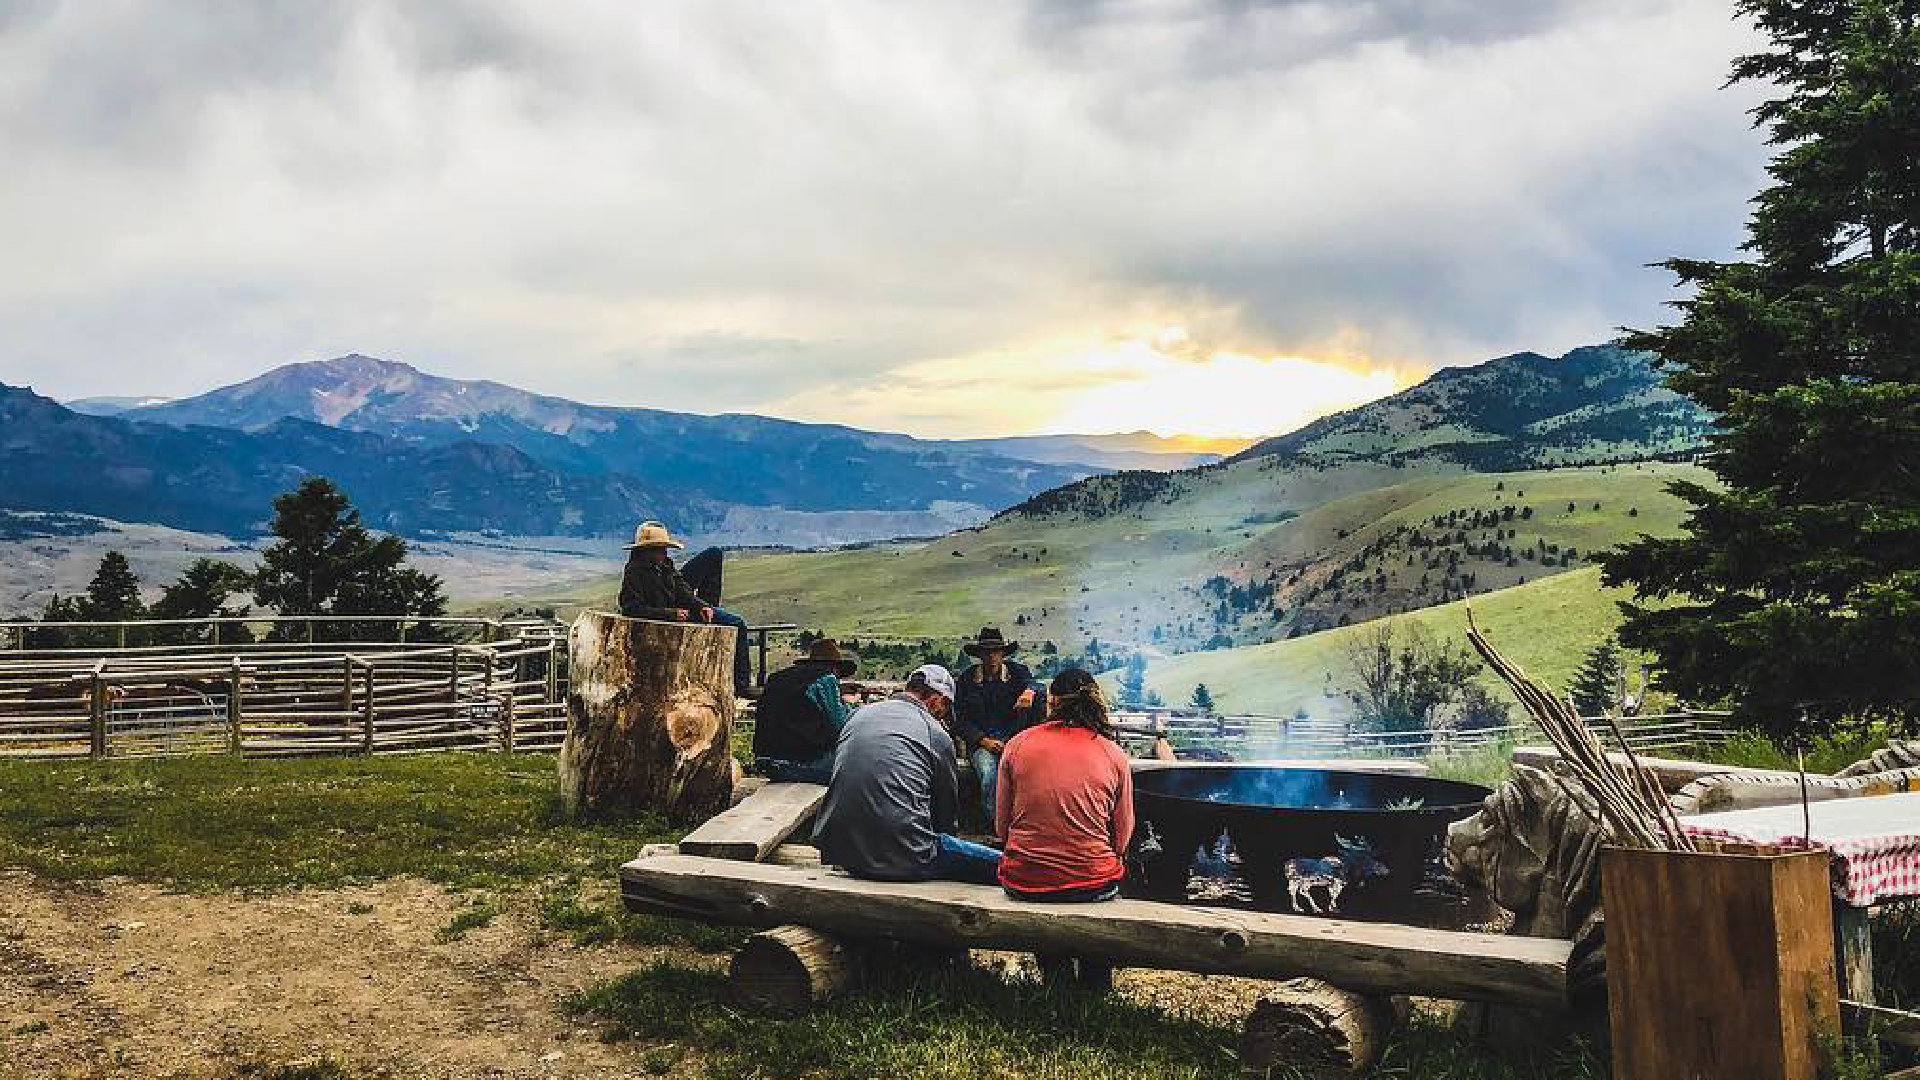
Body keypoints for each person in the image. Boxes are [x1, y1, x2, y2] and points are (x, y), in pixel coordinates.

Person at [812, 664, 1002, 885]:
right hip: (905, 856)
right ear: (936, 699)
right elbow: (946, 812)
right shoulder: (935, 733)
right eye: (945, 706)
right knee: (1002, 864)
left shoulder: (858, 716)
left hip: (842, 850)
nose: (943, 715)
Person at [994, 668, 1134, 903]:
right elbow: (1122, 839)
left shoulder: (1017, 745)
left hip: (1023, 881)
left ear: (1051, 702)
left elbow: (1001, 829)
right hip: (1093, 883)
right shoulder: (1114, 754)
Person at [616, 520, 751, 696]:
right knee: (737, 623)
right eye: (659, 549)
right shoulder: (634, 572)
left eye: (664, 549)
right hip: (669, 619)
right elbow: (631, 608)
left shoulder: (666, 566)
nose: (664, 553)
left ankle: (741, 683)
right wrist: (671, 614)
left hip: (679, 611)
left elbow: (681, 589)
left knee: (714, 556)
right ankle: (741, 685)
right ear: (646, 551)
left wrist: (702, 605)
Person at [953, 627, 1039, 824]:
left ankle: (1025, 822)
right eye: (986, 652)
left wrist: (1029, 692)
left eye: (996, 652)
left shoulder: (1017, 673)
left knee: (1027, 774)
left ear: (1002, 654)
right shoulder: (966, 680)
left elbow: (1036, 685)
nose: (992, 657)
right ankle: (995, 825)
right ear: (980, 656)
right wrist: (983, 741)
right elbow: (959, 719)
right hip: (982, 743)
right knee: (988, 773)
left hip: (1014, 740)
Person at [752, 637, 857, 784]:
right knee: (859, 764)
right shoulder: (826, 679)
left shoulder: (776, 678)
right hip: (800, 764)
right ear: (834, 668)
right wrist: (851, 706)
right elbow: (839, 726)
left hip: (766, 762)